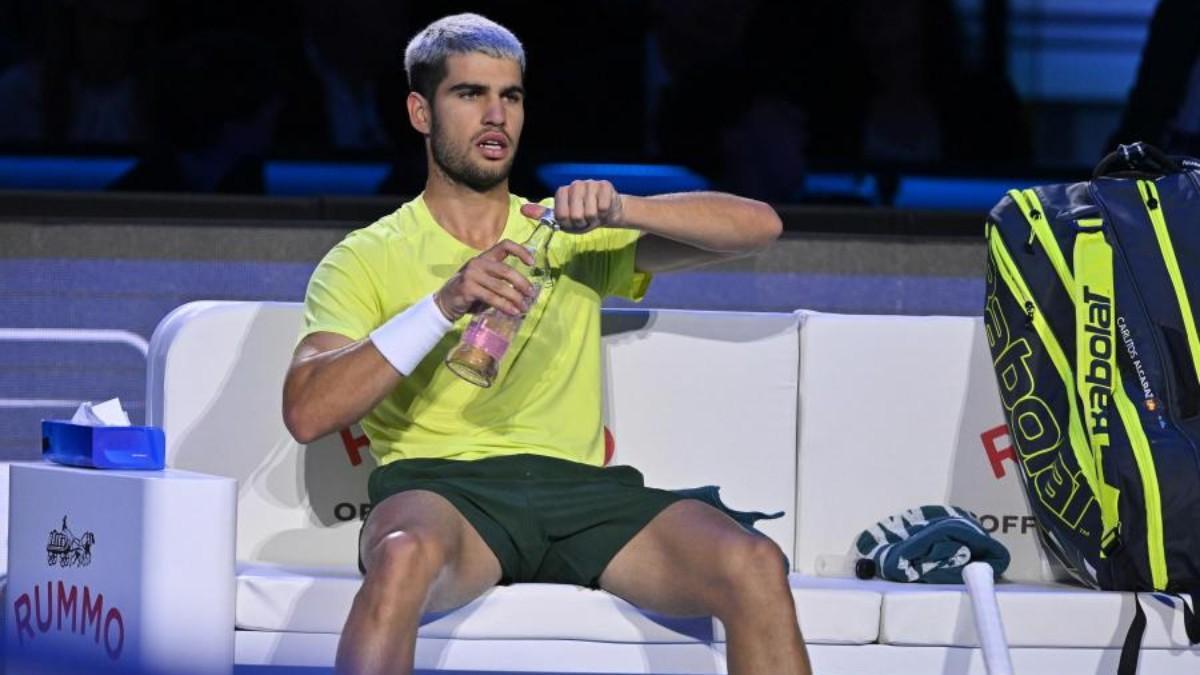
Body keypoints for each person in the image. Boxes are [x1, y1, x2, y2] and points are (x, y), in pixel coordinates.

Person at [282, 13, 809, 675]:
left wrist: (624, 208)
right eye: (470, 94)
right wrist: (444, 303)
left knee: (753, 562)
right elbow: (309, 410)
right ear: (421, 112)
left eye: (511, 96)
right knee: (401, 555)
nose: (495, 115)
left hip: (582, 493)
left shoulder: (565, 232)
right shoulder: (366, 255)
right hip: (445, 492)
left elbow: (759, 227)